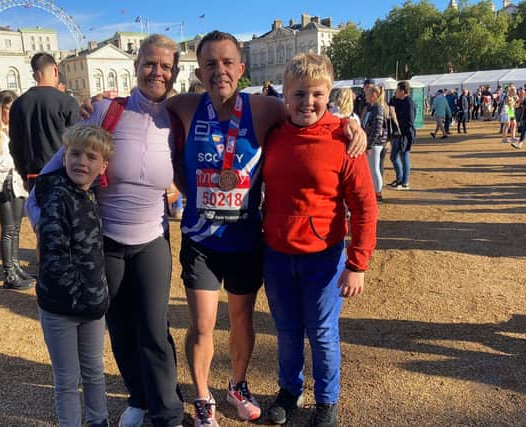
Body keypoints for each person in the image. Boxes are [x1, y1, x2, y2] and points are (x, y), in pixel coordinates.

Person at [166, 30, 366, 427]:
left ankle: (240, 386)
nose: (218, 71)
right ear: (198, 72)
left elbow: (311, 108)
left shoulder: (263, 108)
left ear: (241, 69)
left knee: (247, 320)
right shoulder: (185, 106)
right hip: (202, 240)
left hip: (246, 240)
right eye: (209, 64)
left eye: (227, 63)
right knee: (204, 324)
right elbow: (145, 105)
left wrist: (350, 123)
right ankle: (204, 397)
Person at [32, 34, 185, 427]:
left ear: (175, 73)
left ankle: (167, 410)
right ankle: (137, 396)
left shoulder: (178, 117)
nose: (157, 72)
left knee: (154, 328)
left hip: (151, 238)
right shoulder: (105, 112)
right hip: (106, 241)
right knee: (119, 324)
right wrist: (41, 221)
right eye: (150, 63)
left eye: (166, 66)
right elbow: (52, 170)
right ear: (136, 66)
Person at [262, 51, 377, 427]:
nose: (307, 102)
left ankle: (327, 401)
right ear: (285, 94)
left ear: (328, 93)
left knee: (323, 334)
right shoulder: (273, 133)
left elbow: (364, 207)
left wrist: (357, 263)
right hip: (277, 254)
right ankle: (289, 392)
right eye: (298, 94)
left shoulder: (344, 140)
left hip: (323, 257)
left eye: (316, 94)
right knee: (287, 331)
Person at [36, 125, 112, 427]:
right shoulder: (57, 198)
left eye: (91, 157)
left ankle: (99, 420)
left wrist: (98, 296)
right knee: (67, 379)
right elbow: (54, 256)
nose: (82, 161)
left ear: (102, 166)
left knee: (94, 370)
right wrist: (83, 297)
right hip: (61, 308)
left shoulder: (90, 196)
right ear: (63, 156)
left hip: (93, 306)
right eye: (75, 153)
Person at [0, 90, 35, 290]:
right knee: (8, 229)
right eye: (7, 108)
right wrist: (13, 160)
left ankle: (16, 266)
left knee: (16, 228)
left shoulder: (14, 128)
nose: (10, 113)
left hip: (17, 183)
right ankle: (8, 273)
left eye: (13, 109)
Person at [9, 52, 80, 189]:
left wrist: (23, 175)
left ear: (34, 76)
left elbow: (14, 145)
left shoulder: (18, 104)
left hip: (34, 176)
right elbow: (78, 143)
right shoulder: (67, 102)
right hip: (62, 175)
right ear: (55, 70)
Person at [389, 80, 416, 190]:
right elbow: (390, 105)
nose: (396, 91)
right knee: (394, 157)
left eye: (397, 89)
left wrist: (400, 129)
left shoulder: (409, 103)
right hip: (398, 134)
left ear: (403, 91)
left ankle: (405, 181)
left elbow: (410, 120)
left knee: (403, 156)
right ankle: (400, 179)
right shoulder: (398, 100)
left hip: (405, 134)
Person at [363, 85, 388, 202]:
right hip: (374, 143)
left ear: (373, 96)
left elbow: (377, 129)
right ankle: (375, 191)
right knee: (372, 169)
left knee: (374, 169)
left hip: (376, 144)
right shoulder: (372, 108)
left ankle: (378, 194)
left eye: (367, 94)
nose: (365, 97)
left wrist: (369, 144)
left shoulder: (377, 108)